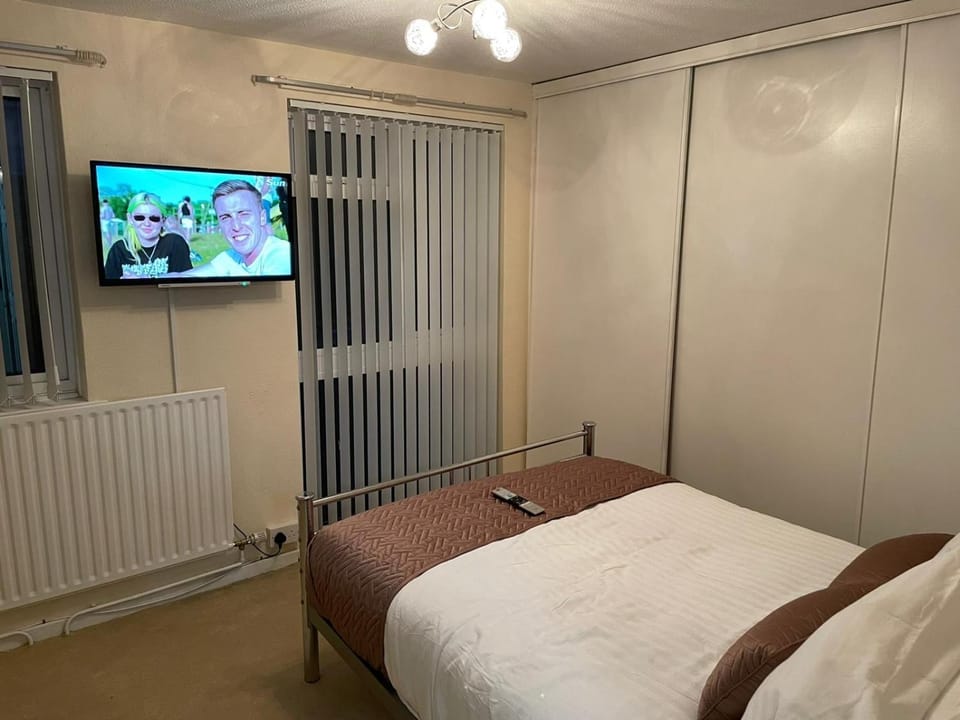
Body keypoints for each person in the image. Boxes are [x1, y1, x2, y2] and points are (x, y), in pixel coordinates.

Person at [172, 180, 290, 278]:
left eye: (244, 214)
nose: (236, 226)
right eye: (226, 217)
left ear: (262, 217)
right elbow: (182, 277)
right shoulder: (232, 257)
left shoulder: (280, 255)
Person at [103, 192, 193, 279]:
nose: (147, 223)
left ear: (163, 220)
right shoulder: (119, 250)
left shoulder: (175, 243)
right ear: (130, 219)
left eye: (154, 218)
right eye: (139, 217)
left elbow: (185, 282)